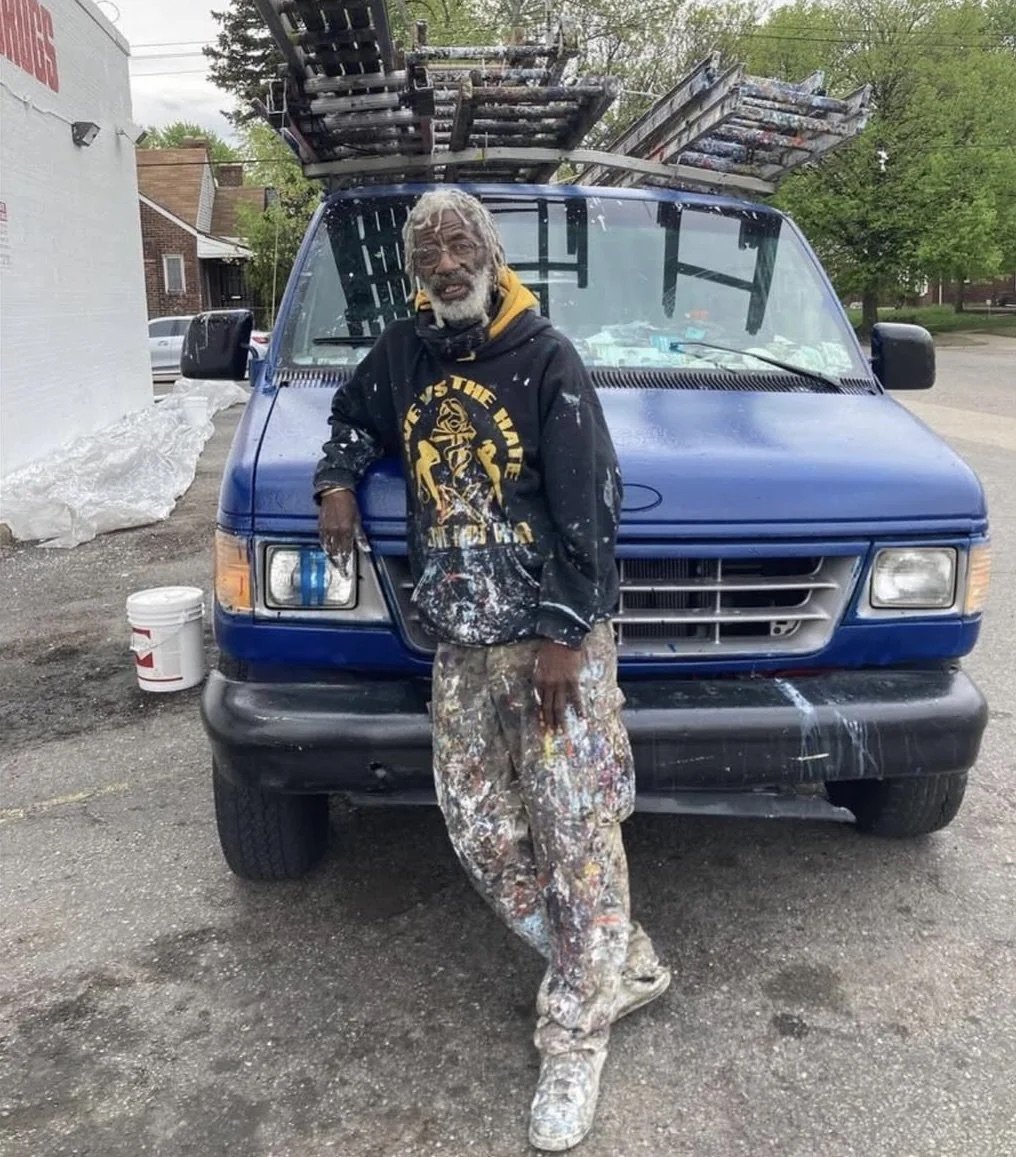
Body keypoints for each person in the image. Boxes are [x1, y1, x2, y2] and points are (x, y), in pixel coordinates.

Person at [315, 189, 669, 1153]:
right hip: (462, 647)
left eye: (460, 242)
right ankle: (609, 959)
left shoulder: (545, 356)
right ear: (412, 266)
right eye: (428, 249)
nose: (446, 260)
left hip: (554, 649)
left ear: (491, 250)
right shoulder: (405, 354)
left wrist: (564, 629)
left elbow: (591, 501)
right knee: (476, 824)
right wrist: (337, 479)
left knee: (575, 832)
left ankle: (575, 1030)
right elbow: (350, 415)